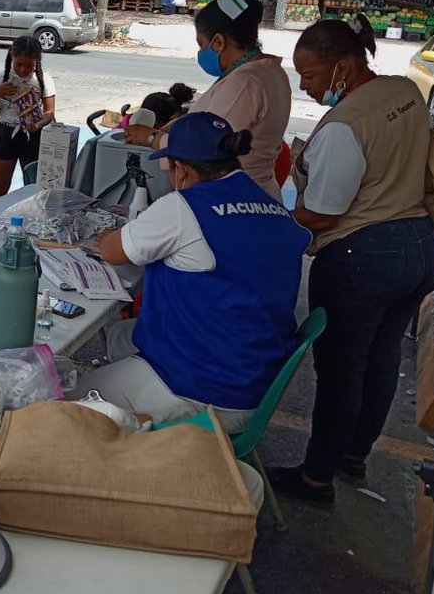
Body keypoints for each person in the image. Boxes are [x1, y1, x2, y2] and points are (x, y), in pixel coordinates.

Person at [267, 18, 434, 505]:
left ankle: (316, 479)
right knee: (382, 358)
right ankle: (353, 455)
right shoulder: (404, 91)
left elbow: (323, 214)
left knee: (343, 371)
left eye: (309, 75)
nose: (304, 86)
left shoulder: (343, 127)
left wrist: (271, 226)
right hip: (422, 247)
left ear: (342, 67)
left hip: (362, 258)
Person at [76, 112, 312, 433]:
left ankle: (139, 446)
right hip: (257, 380)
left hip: (203, 388)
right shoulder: (270, 204)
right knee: (121, 334)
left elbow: (111, 251)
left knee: (65, 403)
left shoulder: (184, 207)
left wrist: (105, 236)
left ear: (183, 170)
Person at [124, 0, 290, 201]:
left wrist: (151, 137)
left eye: (202, 45)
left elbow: (205, 148)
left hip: (233, 201)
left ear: (219, 42)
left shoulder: (245, 83)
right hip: (254, 194)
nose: (201, 53)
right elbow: (215, 117)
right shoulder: (267, 72)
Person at [0, 34, 56, 199]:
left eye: (29, 65)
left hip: (32, 134)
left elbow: (50, 112)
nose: (23, 69)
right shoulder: (0, 77)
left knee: (32, 186)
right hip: (5, 133)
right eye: (19, 64)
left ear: (37, 61)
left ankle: (30, 220)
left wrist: (38, 125)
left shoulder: (43, 80)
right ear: (12, 57)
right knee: (0, 185)